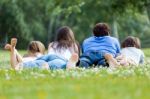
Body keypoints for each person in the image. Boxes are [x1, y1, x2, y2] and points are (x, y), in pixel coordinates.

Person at [7, 26, 79, 70]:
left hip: (48, 57)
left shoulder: (52, 44)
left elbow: (49, 54)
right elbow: (77, 58)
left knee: (37, 62)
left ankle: (21, 66)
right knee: (57, 63)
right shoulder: (73, 44)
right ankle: (69, 64)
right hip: (63, 60)